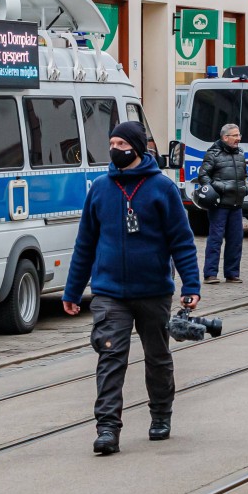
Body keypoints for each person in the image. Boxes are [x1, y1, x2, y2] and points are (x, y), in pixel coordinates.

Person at [63, 121, 201, 455]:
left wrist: (191, 284)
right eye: (111, 143)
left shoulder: (162, 188)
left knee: (157, 357)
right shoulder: (100, 188)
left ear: (136, 149)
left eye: (121, 143)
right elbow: (85, 244)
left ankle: (160, 416)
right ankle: (108, 428)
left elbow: (181, 241)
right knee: (110, 358)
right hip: (110, 292)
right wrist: (72, 290)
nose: (115, 149)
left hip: (154, 289)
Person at [196, 123, 248, 284]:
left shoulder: (240, 153)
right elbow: (203, 176)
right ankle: (210, 274)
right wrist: (221, 187)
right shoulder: (213, 154)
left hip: (236, 203)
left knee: (236, 240)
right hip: (219, 204)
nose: (239, 138)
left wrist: (246, 186)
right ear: (225, 137)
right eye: (235, 135)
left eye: (239, 135)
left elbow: (245, 174)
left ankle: (232, 273)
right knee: (216, 239)